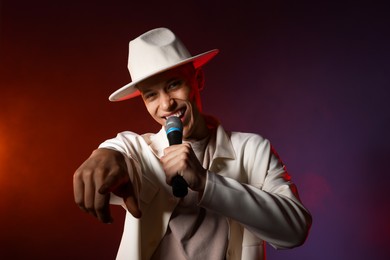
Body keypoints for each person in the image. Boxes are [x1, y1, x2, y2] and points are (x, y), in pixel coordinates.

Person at [73, 27, 312, 260]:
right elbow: (120, 147)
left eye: (173, 85)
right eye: (151, 95)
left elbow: (295, 231)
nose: (166, 105)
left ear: (198, 79)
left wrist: (206, 181)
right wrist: (104, 152)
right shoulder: (139, 151)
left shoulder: (252, 149)